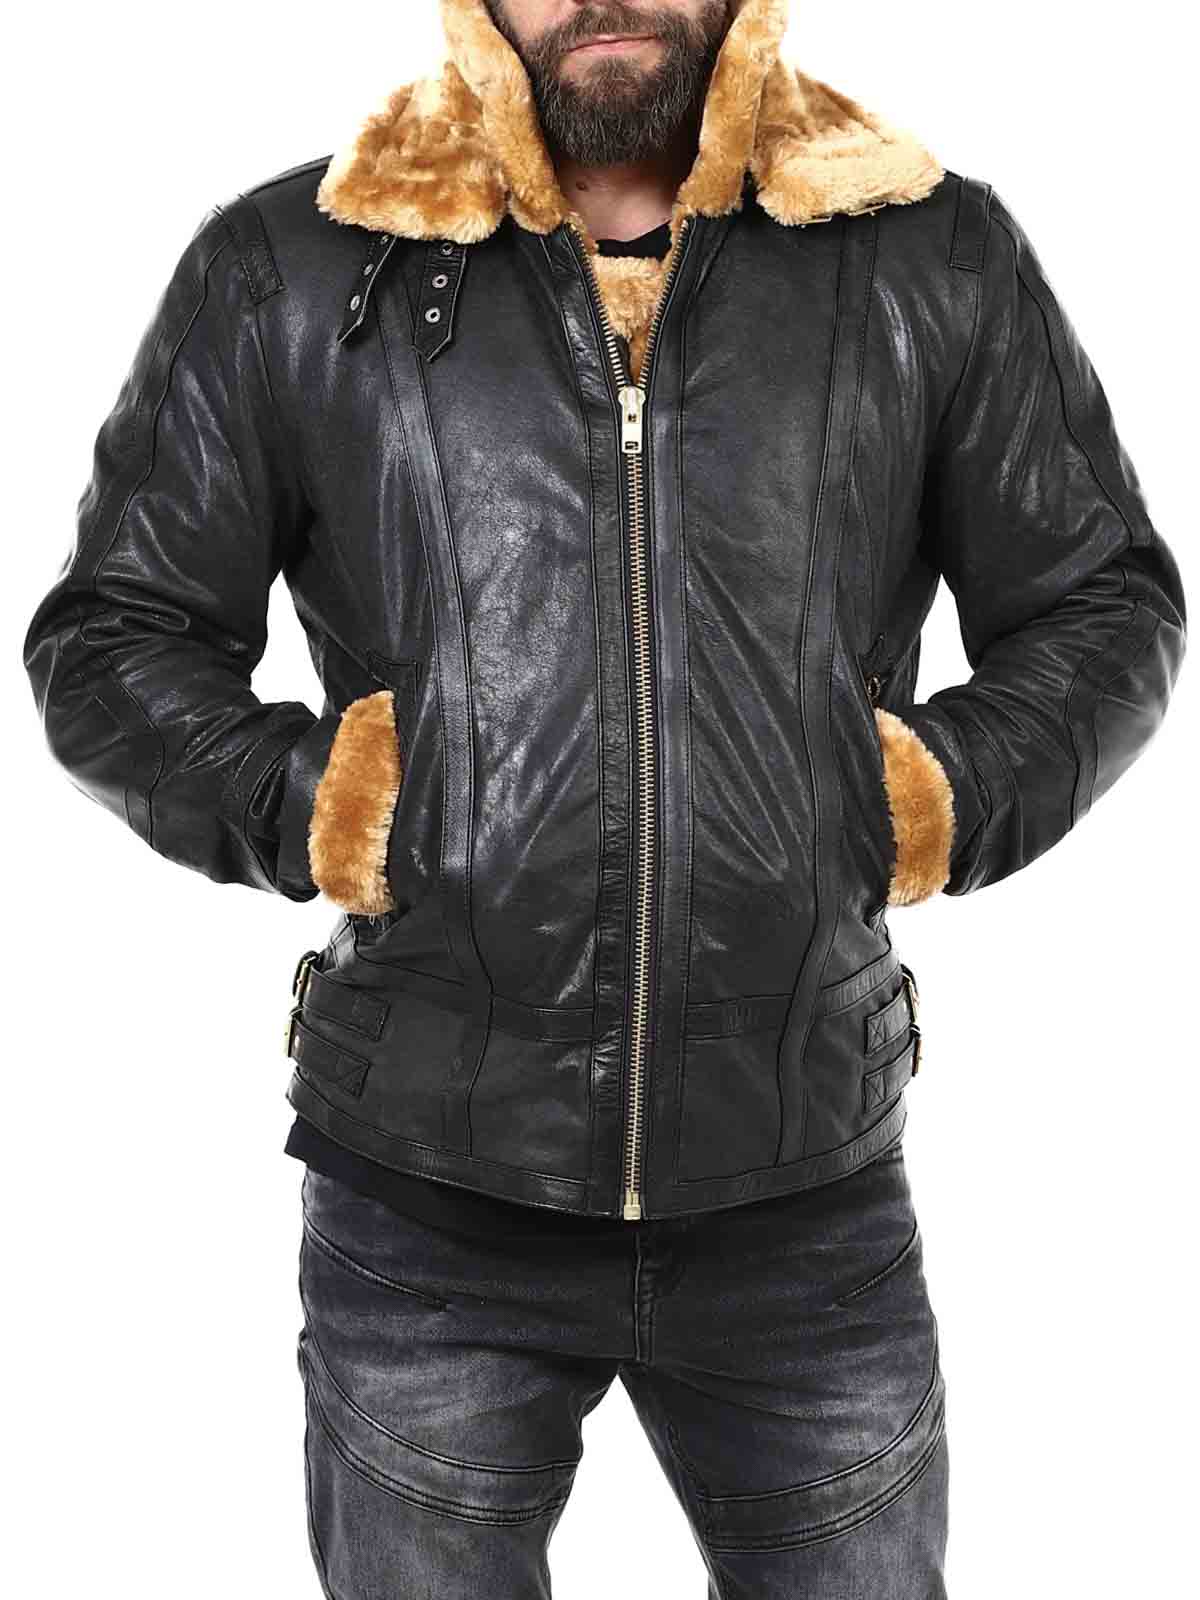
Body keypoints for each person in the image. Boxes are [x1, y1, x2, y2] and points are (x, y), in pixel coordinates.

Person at [21, 1, 1187, 1594]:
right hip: (427, 1194)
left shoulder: (925, 251)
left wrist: (927, 794)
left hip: (806, 1184)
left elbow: (1102, 605)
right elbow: (114, 639)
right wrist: (320, 798)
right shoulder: (294, 263)